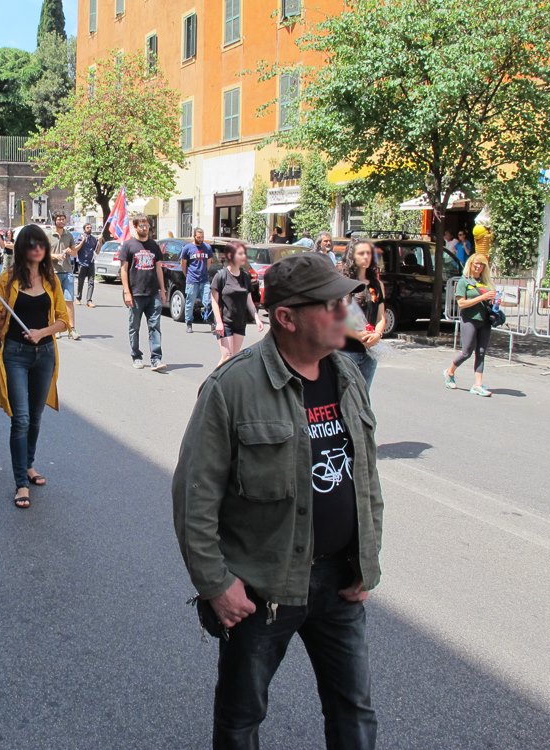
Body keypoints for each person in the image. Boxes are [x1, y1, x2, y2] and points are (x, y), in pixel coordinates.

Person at [173, 251, 383, 750]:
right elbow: (193, 496)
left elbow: (366, 478)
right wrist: (216, 584)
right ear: (286, 318)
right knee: (242, 717)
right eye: (330, 304)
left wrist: (367, 563)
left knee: (354, 711)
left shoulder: (348, 375)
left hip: (339, 581)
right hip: (262, 586)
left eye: (345, 302)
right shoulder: (233, 387)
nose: (344, 314)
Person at [0, 225, 70, 509]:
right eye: (31, 244)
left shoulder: (50, 279)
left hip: (44, 354)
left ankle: (29, 464)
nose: (37, 249)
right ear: (22, 248)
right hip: (15, 354)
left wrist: (41, 333)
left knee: (35, 416)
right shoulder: (7, 279)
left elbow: (63, 320)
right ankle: (21, 481)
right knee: (20, 418)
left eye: (41, 244)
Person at [119, 212, 167, 371]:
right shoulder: (128, 245)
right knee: (135, 326)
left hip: (153, 293)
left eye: (147, 225)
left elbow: (159, 268)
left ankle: (156, 359)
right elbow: (124, 270)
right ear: (135, 226)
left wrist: (163, 289)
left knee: (155, 326)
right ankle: (136, 355)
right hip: (136, 293)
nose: (145, 228)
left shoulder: (154, 245)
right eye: (142, 225)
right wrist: (127, 291)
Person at [445, 253, 496, 397]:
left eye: (482, 265)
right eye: (476, 264)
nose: (479, 267)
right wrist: (482, 297)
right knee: (467, 351)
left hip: (485, 320)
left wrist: (495, 301)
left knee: (481, 352)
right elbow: (461, 303)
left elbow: (490, 300)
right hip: (469, 319)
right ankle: (449, 372)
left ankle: (478, 385)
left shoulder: (486, 282)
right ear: (471, 264)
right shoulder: (463, 282)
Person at [340, 241, 386, 388]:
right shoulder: (343, 283)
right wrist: (358, 335)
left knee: (363, 399)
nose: (366, 257)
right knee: (346, 398)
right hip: (346, 350)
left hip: (370, 351)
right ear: (352, 256)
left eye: (369, 253)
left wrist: (377, 334)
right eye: (361, 253)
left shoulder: (376, 284)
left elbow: (381, 316)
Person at [210, 240, 264, 365]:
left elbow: (248, 300)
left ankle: (225, 384)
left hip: (239, 322)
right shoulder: (221, 276)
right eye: (240, 254)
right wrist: (219, 322)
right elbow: (214, 301)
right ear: (230, 256)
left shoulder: (245, 277)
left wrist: (256, 318)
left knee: (233, 359)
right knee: (227, 357)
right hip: (225, 322)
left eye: (244, 253)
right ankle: (213, 383)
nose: (243, 256)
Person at [47, 211, 80, 340]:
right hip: (53, 271)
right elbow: (44, 253)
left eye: (63, 219)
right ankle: (56, 328)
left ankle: (72, 329)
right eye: (59, 219)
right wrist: (55, 256)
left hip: (67, 271)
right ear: (55, 221)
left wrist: (70, 251)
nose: (61, 221)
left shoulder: (69, 235)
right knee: (54, 301)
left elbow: (75, 253)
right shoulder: (48, 235)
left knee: (69, 300)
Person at [179, 227, 214, 334]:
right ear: (194, 236)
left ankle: (212, 323)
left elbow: (209, 262)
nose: (201, 239)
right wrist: (187, 275)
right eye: (199, 237)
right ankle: (189, 323)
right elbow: (183, 264)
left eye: (202, 237)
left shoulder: (207, 247)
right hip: (191, 280)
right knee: (190, 303)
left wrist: (204, 272)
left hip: (204, 280)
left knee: (208, 301)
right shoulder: (187, 248)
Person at [74, 222, 99, 307]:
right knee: (80, 282)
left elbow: (97, 251)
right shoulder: (80, 237)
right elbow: (76, 249)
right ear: (84, 229)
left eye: (91, 227)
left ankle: (89, 300)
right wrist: (83, 240)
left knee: (91, 282)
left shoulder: (93, 239)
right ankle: (78, 298)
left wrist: (100, 242)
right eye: (88, 227)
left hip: (91, 263)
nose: (90, 229)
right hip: (82, 263)